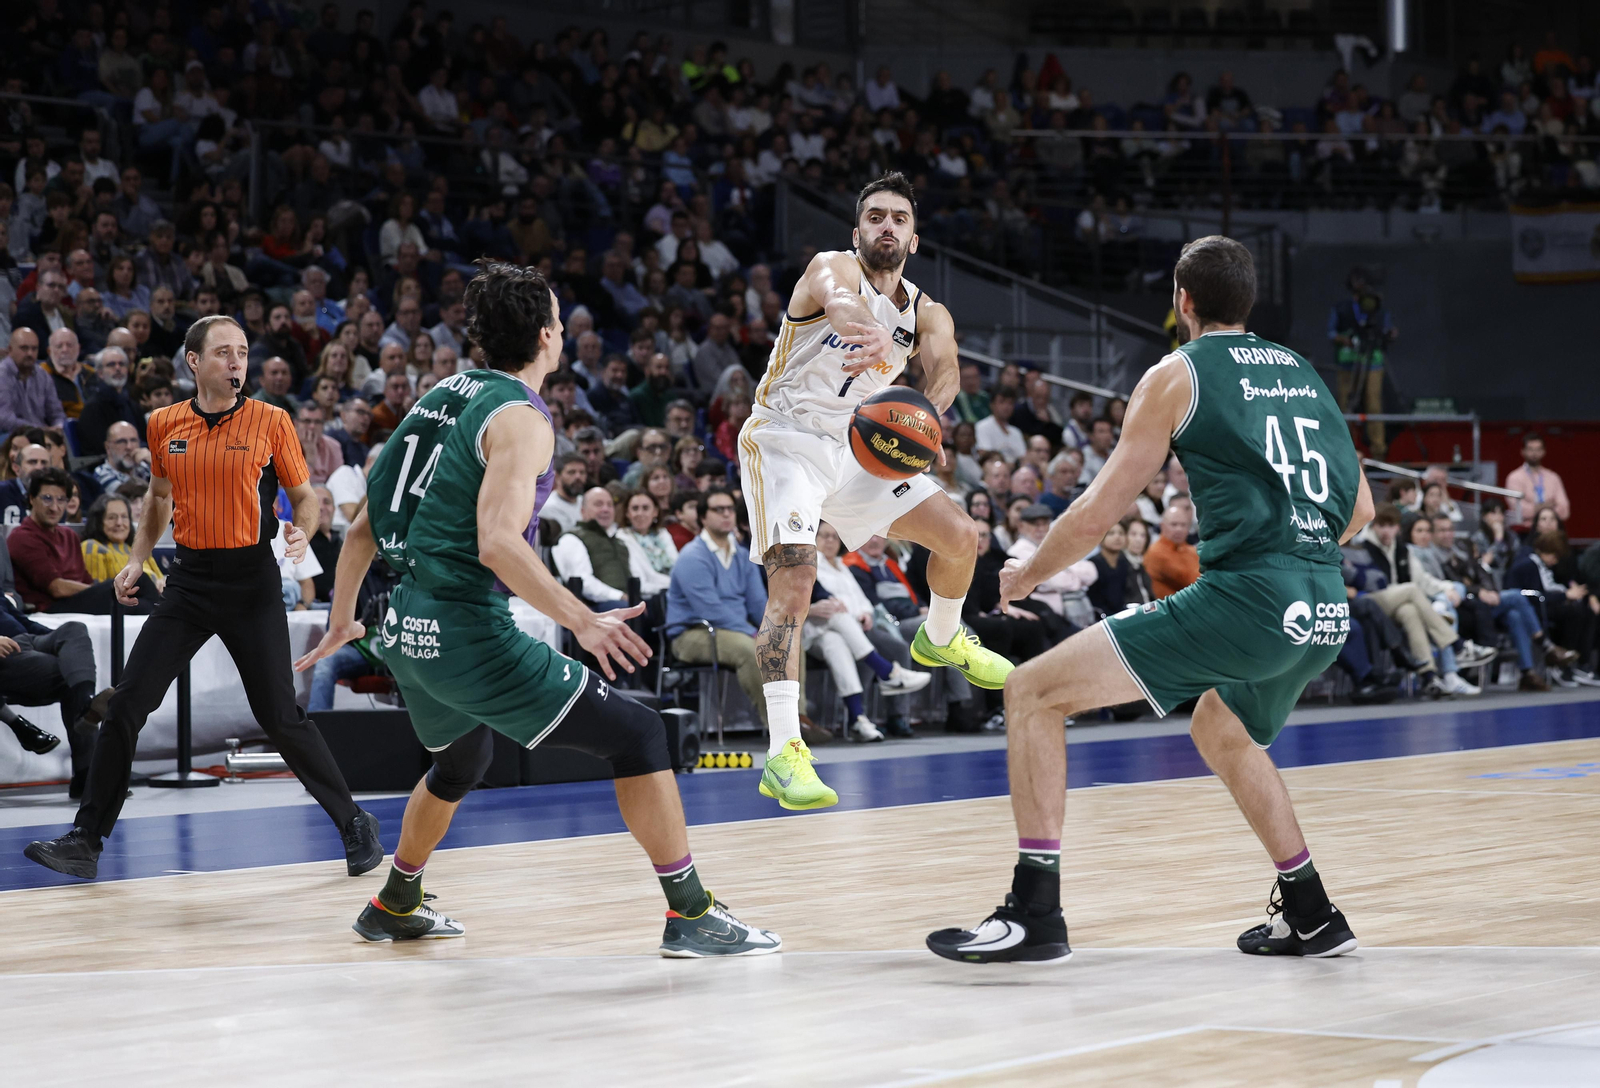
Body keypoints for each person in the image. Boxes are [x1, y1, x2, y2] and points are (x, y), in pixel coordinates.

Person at [295, 262, 779, 954]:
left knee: (462, 761)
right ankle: (691, 913)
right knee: (640, 737)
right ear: (549, 336)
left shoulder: (440, 395)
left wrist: (345, 617)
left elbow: (367, 526)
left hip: (405, 626)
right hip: (465, 629)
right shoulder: (520, 419)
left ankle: (396, 900)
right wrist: (581, 618)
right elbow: (497, 543)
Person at [929, 236, 1374, 965]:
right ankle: (1312, 913)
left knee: (1032, 693)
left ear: (1182, 300)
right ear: (1248, 301)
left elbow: (1101, 511)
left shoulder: (1178, 373)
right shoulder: (1303, 373)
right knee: (1221, 730)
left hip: (1252, 598)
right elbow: (1359, 513)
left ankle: (1035, 913)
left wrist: (1026, 572)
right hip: (1324, 603)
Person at [25, 316, 381, 882]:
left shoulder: (271, 420)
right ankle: (86, 840)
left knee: (280, 715)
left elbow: (304, 496)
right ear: (194, 362)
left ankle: (355, 823)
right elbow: (159, 500)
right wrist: (138, 558)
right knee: (126, 705)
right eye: (223, 353)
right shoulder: (164, 423)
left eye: (242, 352)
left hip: (251, 581)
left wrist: (302, 531)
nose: (236, 362)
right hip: (189, 580)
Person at [738, 173, 1012, 810]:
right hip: (787, 439)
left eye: (898, 220)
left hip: (861, 444)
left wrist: (929, 414)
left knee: (960, 537)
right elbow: (839, 302)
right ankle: (784, 752)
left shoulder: (927, 311)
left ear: (914, 239)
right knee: (797, 581)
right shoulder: (830, 269)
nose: (886, 227)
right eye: (874, 217)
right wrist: (873, 331)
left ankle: (941, 636)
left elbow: (943, 369)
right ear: (857, 231)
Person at [8, 467, 159, 615]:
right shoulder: (22, 537)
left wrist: (100, 591)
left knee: (144, 603)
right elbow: (57, 588)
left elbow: (86, 580)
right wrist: (104, 590)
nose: (55, 507)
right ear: (31, 499)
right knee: (139, 584)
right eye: (47, 498)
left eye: (61, 499)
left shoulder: (69, 536)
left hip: (80, 600)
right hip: (51, 607)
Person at [1327, 268, 1395, 458]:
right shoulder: (1341, 308)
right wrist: (1344, 340)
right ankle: (1345, 450)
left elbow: (1386, 329)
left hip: (1373, 362)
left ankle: (1378, 450)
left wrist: (1389, 334)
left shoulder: (1378, 309)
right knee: (1345, 405)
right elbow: (1331, 333)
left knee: (1373, 404)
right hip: (1348, 363)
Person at [80, 492, 166, 591]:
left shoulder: (141, 550)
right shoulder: (92, 547)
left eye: (124, 517)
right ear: (98, 522)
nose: (119, 523)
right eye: (111, 518)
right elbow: (98, 594)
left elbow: (161, 579)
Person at [616, 490, 678, 600]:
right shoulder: (622, 537)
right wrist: (677, 585)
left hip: (674, 590)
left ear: (655, 512)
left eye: (645, 508)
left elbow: (677, 566)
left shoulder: (663, 534)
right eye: (635, 509)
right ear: (627, 513)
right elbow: (642, 581)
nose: (640, 513)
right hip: (651, 597)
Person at [1, 329, 67, 431]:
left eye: (34, 349)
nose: (30, 353)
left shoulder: (43, 375)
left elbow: (56, 413)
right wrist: (41, 430)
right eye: (24, 348)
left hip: (44, 437)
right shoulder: (2, 375)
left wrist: (58, 427)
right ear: (10, 350)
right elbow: (4, 419)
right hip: (12, 437)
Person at [1504, 433, 1569, 529]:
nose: (1534, 453)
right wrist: (1546, 507)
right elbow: (1518, 510)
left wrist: (1534, 510)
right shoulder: (1514, 477)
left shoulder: (1553, 477)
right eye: (1530, 449)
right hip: (1525, 532)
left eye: (1538, 449)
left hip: (1552, 531)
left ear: (1544, 452)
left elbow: (1564, 510)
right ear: (1523, 451)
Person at [1144, 505, 1200, 598]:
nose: (1179, 529)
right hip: (1168, 609)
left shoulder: (1191, 550)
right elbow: (1191, 580)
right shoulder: (1156, 553)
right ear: (1162, 526)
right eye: (1174, 524)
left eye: (1183, 525)